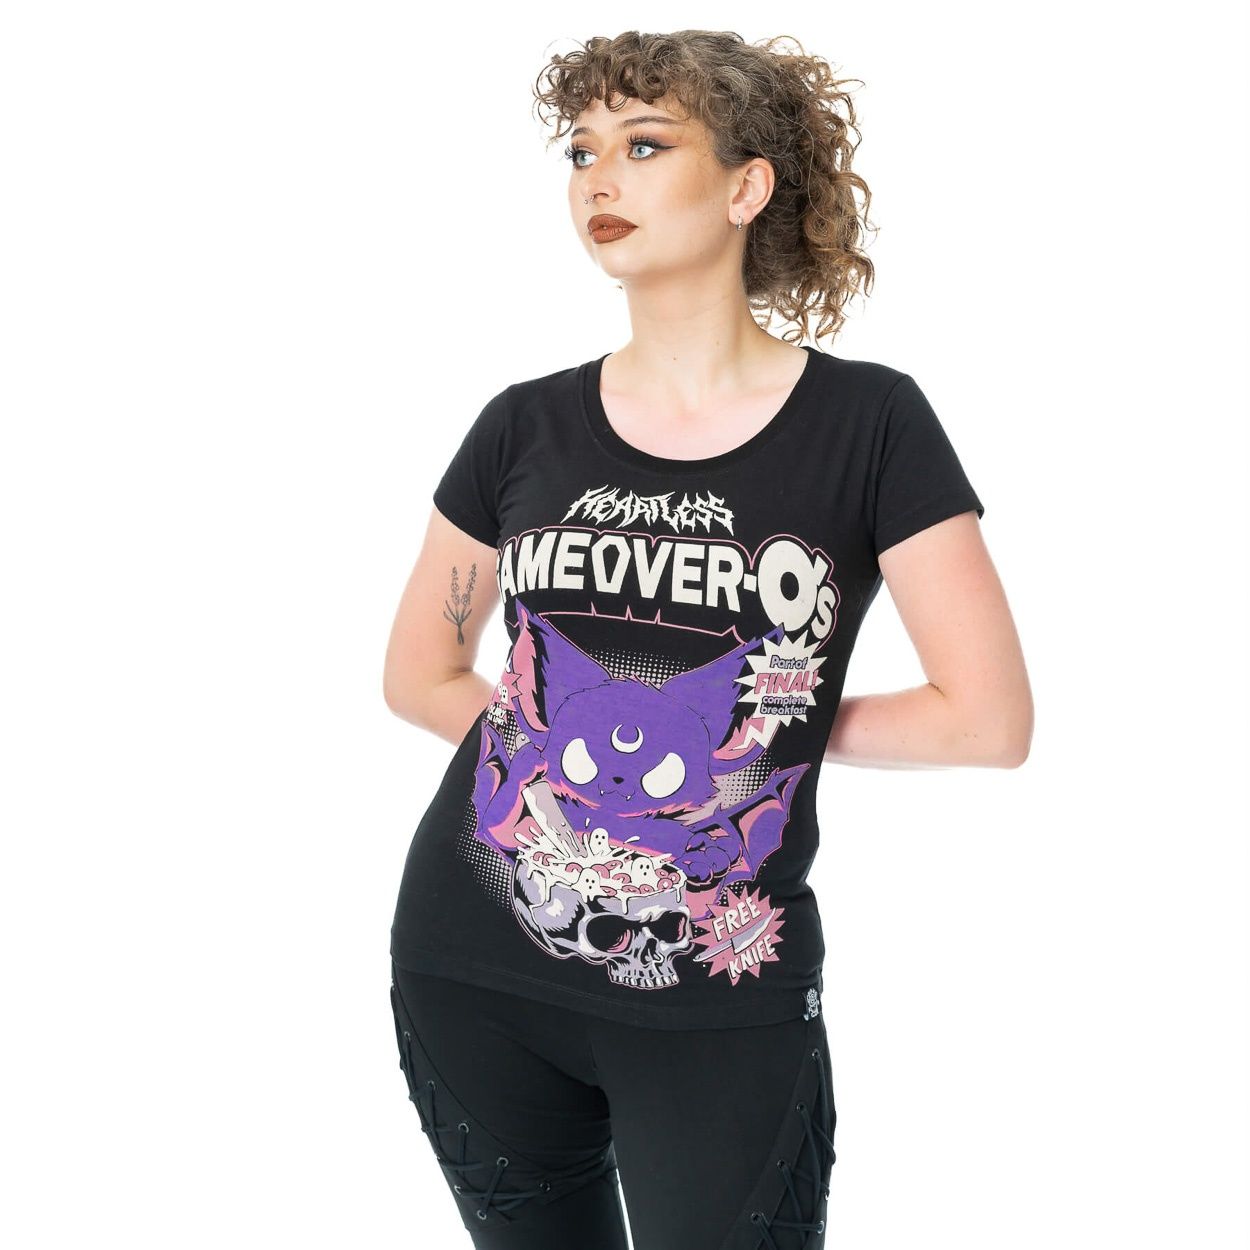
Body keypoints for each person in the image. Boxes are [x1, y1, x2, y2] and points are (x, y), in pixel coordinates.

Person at [381, 29, 1033, 1250]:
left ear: (745, 188)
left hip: (720, 996)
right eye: (580, 151)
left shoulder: (869, 424)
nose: (598, 177)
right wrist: (564, 759)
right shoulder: (519, 426)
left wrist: (753, 744)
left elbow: (986, 718)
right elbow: (419, 670)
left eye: (643, 145)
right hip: (471, 967)